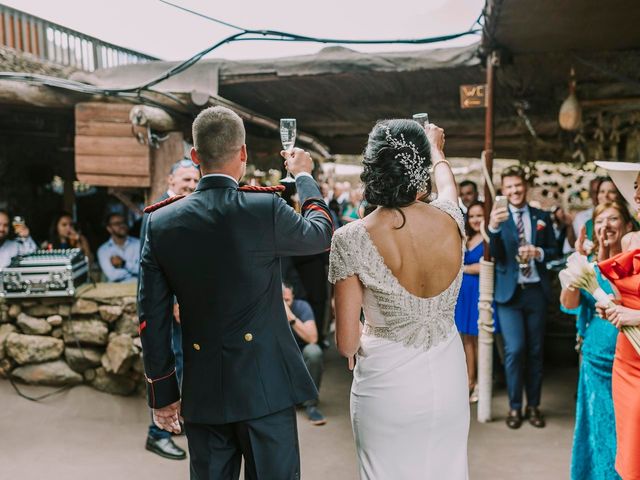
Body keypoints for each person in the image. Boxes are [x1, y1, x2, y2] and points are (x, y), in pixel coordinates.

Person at [138, 106, 333, 479]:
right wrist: (304, 175)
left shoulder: (161, 222)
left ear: (195, 157)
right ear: (242, 153)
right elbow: (321, 234)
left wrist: (163, 395)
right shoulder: (264, 208)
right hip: (267, 389)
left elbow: (152, 317)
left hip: (204, 390)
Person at [330, 120, 469, 479]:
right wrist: (438, 151)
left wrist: (364, 330)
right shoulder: (452, 219)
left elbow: (346, 343)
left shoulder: (351, 238)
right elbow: (448, 186)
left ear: (371, 169)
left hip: (387, 382)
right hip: (449, 374)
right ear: (419, 168)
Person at [560, 202, 632, 480]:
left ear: (628, 226)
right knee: (597, 431)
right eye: (600, 221)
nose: (606, 226)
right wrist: (578, 262)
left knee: (625, 433)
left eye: (614, 219)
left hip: (628, 364)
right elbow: (569, 303)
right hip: (594, 361)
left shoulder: (633, 264)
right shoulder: (592, 268)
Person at [488, 165, 559, 429]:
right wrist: (493, 228)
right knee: (515, 350)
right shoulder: (498, 217)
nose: (515, 190)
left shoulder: (541, 216)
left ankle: (534, 406)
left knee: (536, 351)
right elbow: (494, 254)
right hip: (509, 295)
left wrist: (538, 252)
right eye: (509, 187)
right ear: (503, 191)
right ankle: (515, 407)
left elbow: (553, 251)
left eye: (518, 185)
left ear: (525, 187)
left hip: (536, 293)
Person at [140, 159, 200, 461]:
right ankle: (157, 433)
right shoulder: (156, 213)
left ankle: (176, 422)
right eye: (185, 179)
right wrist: (174, 301)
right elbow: (150, 273)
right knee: (169, 367)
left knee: (186, 366)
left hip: (191, 309)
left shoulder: (191, 208)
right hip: (167, 312)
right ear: (170, 179)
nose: (190, 185)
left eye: (194, 180)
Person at [593, 160, 640, 480]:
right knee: (629, 448)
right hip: (627, 357)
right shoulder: (633, 240)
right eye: (636, 188)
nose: (637, 195)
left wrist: (635, 315)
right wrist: (614, 304)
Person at [454, 201, 489, 403]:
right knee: (465, 339)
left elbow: (485, 266)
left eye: (480, 216)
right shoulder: (466, 237)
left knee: (478, 340)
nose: (476, 220)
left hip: (479, 293)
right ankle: (469, 380)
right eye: (473, 216)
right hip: (463, 293)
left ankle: (479, 384)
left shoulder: (488, 239)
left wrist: (465, 269)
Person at [282, 283, 326, 425]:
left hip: (299, 356)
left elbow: (313, 338)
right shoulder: (267, 308)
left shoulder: (301, 306)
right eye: (281, 300)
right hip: (278, 357)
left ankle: (311, 405)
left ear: (293, 296)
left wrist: (291, 317)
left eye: (287, 300)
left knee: (314, 352)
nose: (285, 304)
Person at [97, 213, 140, 283]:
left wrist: (123, 264)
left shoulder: (139, 243)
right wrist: (133, 269)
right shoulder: (103, 250)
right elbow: (112, 275)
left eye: (124, 222)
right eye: (117, 223)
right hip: (115, 290)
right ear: (109, 228)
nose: (122, 225)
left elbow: (143, 270)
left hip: (137, 288)